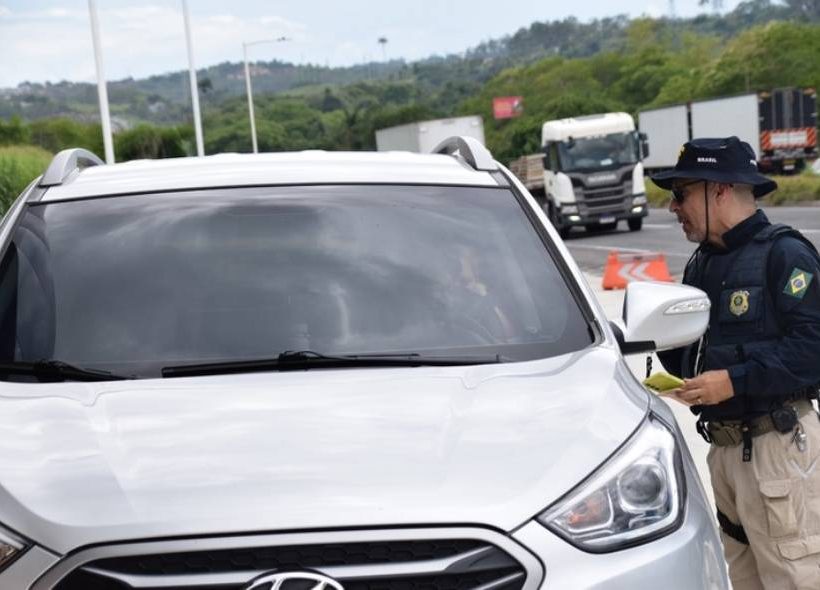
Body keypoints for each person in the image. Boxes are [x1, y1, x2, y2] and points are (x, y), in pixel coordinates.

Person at [651, 136, 820, 590]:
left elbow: (813, 350)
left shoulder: (785, 254)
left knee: (794, 579)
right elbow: (692, 347)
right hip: (725, 453)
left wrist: (733, 381)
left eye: (681, 193)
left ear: (719, 189)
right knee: (744, 581)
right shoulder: (701, 264)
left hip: (777, 450)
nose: (672, 207)